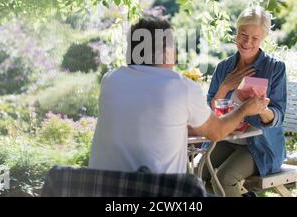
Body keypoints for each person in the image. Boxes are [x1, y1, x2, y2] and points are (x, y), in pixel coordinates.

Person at [89, 17, 269, 174]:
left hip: (105, 188)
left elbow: (143, 122)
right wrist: (245, 109)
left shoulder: (111, 80)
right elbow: (217, 132)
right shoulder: (181, 88)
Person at [204, 6, 287, 197]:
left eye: (255, 38)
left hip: (260, 146)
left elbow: (278, 115)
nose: (247, 42)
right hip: (227, 139)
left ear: (263, 38)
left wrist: (261, 109)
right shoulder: (224, 67)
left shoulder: (275, 68)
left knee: (225, 178)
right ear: (237, 32)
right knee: (196, 174)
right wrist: (225, 86)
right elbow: (210, 110)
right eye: (243, 34)